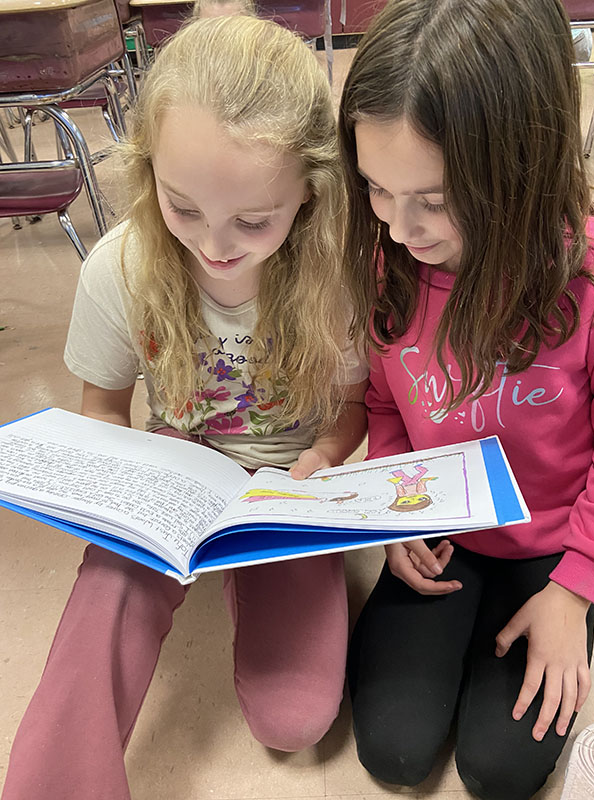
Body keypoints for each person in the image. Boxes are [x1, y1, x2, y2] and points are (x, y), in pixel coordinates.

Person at [2, 15, 367, 800]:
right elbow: (103, 406)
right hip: (170, 484)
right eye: (183, 206)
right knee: (106, 597)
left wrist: (321, 463)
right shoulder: (124, 266)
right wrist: (115, 490)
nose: (215, 244)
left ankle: (244, 575)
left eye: (255, 219)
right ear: (148, 172)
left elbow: (349, 409)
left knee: (294, 720)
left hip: (283, 493)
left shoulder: (338, 274)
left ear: (310, 191)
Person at [337, 1, 594, 798]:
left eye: (435, 198)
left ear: (523, 162)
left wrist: (575, 586)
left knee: (499, 770)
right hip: (439, 529)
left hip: (555, 548)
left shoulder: (584, 274)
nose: (400, 227)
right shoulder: (392, 264)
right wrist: (392, 518)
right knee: (395, 751)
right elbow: (384, 410)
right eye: (378, 190)